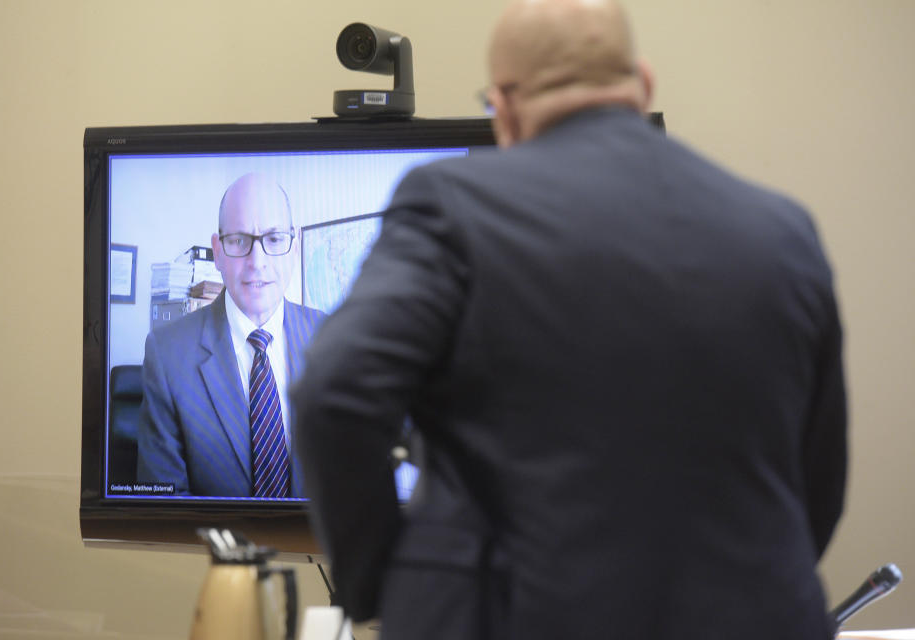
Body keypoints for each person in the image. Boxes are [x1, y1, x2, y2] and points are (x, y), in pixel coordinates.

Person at [291, 0, 847, 638]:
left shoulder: (450, 206)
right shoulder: (782, 231)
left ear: (503, 105)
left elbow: (335, 394)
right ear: (642, 84)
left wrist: (379, 582)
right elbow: (815, 481)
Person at [137, 172, 323, 498]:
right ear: (218, 252)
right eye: (239, 240)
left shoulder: (334, 340)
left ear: (294, 246)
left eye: (275, 239)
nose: (257, 262)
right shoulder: (167, 354)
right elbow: (162, 510)